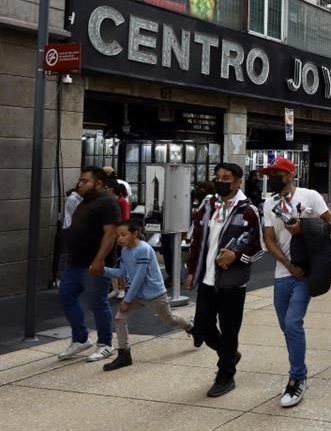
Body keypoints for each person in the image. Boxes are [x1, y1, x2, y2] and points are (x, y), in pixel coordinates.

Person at [261, 157, 331, 407]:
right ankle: (299, 368)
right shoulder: (269, 203)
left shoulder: (310, 196)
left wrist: (305, 226)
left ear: (290, 174)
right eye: (269, 174)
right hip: (284, 274)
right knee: (286, 327)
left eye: (277, 173)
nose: (272, 178)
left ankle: (297, 377)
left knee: (293, 323)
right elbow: (269, 239)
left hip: (306, 272)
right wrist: (287, 265)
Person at [185, 162, 264, 397]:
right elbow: (197, 240)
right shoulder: (209, 205)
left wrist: (236, 256)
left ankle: (226, 374)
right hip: (207, 280)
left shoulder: (248, 211)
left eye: (226, 178)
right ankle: (229, 355)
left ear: (238, 182)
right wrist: (191, 270)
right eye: (218, 177)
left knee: (230, 330)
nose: (221, 181)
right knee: (201, 328)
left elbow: (258, 247)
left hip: (232, 282)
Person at [102, 221, 193, 371]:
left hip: (154, 294)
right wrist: (104, 270)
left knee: (170, 320)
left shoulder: (143, 249)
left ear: (135, 234)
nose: (120, 239)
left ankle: (190, 327)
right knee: (119, 318)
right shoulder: (125, 251)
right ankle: (124, 354)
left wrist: (127, 299)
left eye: (123, 235)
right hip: (137, 294)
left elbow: (139, 277)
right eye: (118, 236)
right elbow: (123, 272)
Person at [57, 166, 121, 362]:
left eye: (85, 181)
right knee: (66, 296)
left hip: (94, 263)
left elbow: (110, 234)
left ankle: (105, 344)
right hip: (75, 262)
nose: (80, 184)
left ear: (98, 183)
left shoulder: (107, 203)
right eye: (80, 180)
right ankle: (80, 339)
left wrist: (99, 260)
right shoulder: (84, 201)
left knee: (97, 302)